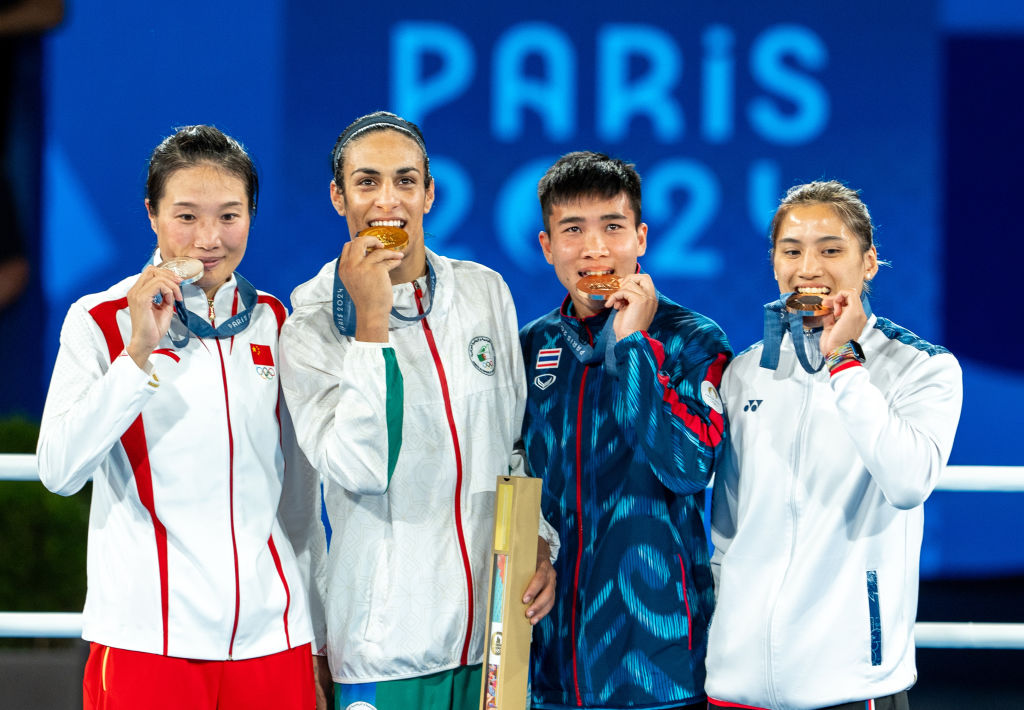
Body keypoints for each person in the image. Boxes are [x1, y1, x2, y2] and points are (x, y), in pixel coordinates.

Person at [278, 110, 559, 710]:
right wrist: (371, 324)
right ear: (338, 197)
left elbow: (514, 444)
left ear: (429, 193)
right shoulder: (309, 329)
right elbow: (361, 468)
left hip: (493, 640)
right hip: (387, 652)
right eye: (367, 182)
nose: (389, 200)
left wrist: (538, 535)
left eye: (406, 181)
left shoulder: (485, 293)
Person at [36, 125, 323, 710]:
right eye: (186, 216)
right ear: (152, 214)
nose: (208, 240)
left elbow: (298, 501)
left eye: (229, 216)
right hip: (150, 643)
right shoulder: (98, 321)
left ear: (251, 216)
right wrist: (137, 353)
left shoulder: (275, 321)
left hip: (273, 642)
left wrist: (314, 632)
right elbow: (59, 470)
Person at [705, 181, 963, 710]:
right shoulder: (746, 372)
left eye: (830, 249)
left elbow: (909, 482)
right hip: (736, 686)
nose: (809, 268)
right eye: (792, 251)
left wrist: (845, 361)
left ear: (868, 262)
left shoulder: (923, 368)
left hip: (848, 687)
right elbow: (729, 524)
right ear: (774, 263)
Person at [519, 151, 732, 710]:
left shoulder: (693, 340)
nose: (594, 248)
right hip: (551, 666)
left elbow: (688, 469)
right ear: (547, 247)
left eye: (612, 227)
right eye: (572, 230)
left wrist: (633, 345)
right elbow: (513, 475)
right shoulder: (533, 345)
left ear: (640, 237)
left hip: (661, 668)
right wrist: (535, 544)